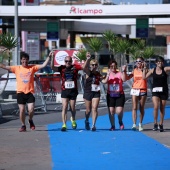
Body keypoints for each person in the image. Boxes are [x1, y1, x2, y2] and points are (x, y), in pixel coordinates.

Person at [0, 51, 52, 132]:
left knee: (31, 109)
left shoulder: (32, 68)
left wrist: (49, 56)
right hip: (20, 93)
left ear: (28, 60)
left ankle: (30, 120)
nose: (25, 61)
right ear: (21, 60)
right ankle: (23, 125)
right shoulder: (16, 68)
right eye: (23, 59)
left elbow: (43, 65)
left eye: (26, 59)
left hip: (30, 92)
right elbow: (3, 66)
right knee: (22, 110)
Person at [51, 55, 82, 131]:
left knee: (72, 107)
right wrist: (52, 58)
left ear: (71, 62)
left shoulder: (75, 67)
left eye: (69, 61)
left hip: (73, 91)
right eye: (66, 61)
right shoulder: (62, 68)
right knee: (64, 107)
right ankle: (64, 124)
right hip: (64, 90)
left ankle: (73, 119)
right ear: (64, 62)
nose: (68, 63)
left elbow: (84, 67)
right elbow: (52, 67)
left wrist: (87, 59)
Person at [143, 56, 170, 132]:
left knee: (162, 108)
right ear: (156, 63)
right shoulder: (152, 70)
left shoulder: (165, 69)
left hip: (164, 91)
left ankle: (161, 124)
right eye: (158, 61)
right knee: (155, 106)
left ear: (163, 63)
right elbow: (144, 77)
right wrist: (144, 68)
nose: (159, 63)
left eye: (161, 61)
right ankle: (155, 123)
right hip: (155, 91)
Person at [124, 57, 147, 131]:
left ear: (142, 62)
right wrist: (124, 71)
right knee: (134, 107)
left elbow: (144, 78)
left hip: (143, 89)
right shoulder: (134, 70)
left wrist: (144, 67)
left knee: (141, 107)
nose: (138, 63)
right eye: (136, 61)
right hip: (135, 89)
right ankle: (134, 124)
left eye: (140, 61)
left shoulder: (145, 70)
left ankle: (140, 123)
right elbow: (126, 78)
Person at [102, 60, 126, 131]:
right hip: (111, 95)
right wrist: (108, 75)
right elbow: (104, 82)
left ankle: (120, 121)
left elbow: (124, 79)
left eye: (114, 66)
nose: (113, 68)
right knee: (111, 111)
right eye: (111, 66)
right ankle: (112, 125)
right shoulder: (108, 74)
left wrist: (124, 71)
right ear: (109, 67)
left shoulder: (119, 73)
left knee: (119, 111)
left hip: (119, 94)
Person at [83, 52, 103, 131]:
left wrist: (108, 76)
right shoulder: (88, 72)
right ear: (90, 66)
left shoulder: (98, 74)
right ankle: (87, 120)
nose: (94, 66)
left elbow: (103, 81)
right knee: (88, 110)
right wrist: (88, 59)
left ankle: (94, 125)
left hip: (96, 93)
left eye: (95, 65)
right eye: (93, 65)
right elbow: (84, 68)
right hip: (88, 92)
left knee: (94, 108)